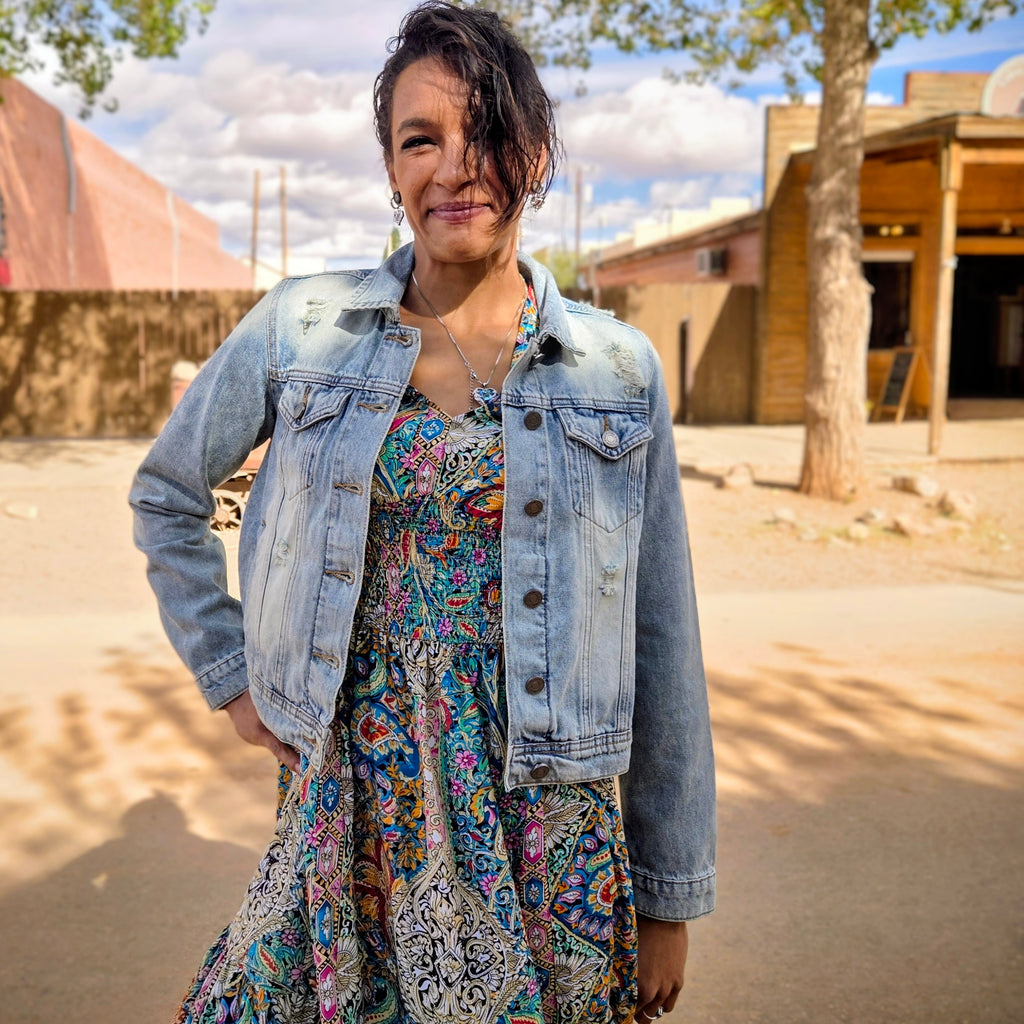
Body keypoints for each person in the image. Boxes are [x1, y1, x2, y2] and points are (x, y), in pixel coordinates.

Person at [130, 3, 715, 1022]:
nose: (455, 167)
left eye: (485, 131)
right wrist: (230, 675)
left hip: (548, 820)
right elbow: (166, 492)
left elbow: (660, 631)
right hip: (355, 796)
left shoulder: (616, 370)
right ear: (391, 167)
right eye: (420, 140)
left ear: (535, 152)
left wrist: (667, 895)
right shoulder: (303, 330)